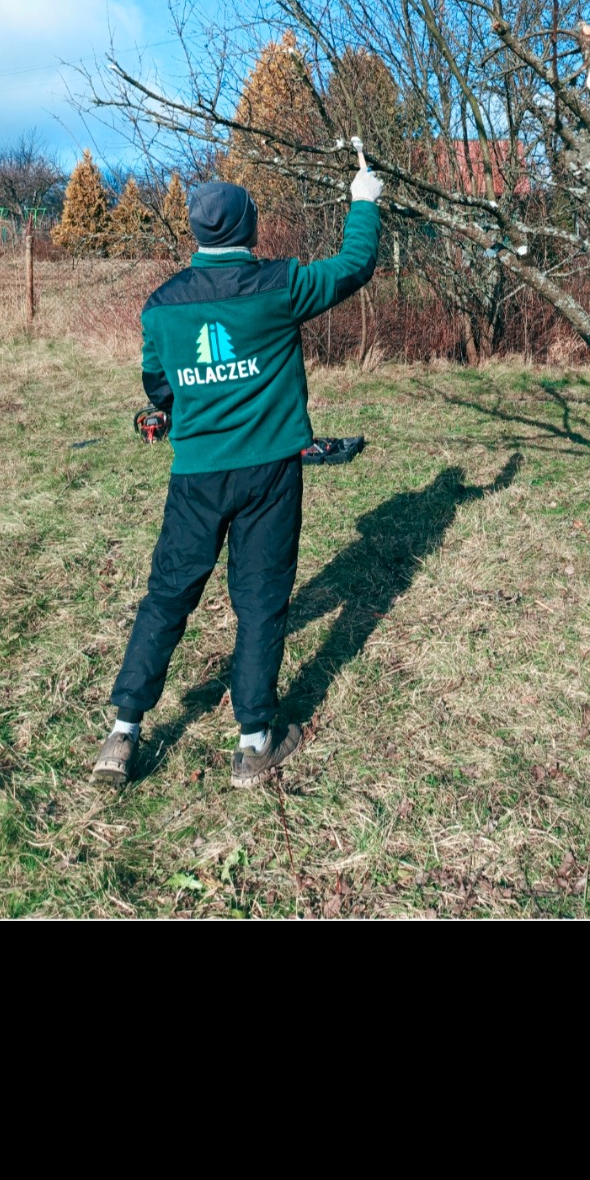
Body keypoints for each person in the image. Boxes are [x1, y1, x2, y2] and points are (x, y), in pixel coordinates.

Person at [92, 168, 382, 790]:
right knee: (260, 601)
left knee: (168, 596)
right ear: (251, 227)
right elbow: (355, 264)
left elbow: (159, 384)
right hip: (270, 472)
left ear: (196, 230)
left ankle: (123, 732)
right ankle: (254, 745)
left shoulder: (162, 304)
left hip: (196, 476)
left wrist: (179, 406)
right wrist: (363, 201)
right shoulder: (280, 285)